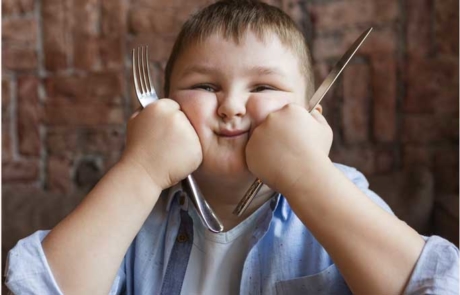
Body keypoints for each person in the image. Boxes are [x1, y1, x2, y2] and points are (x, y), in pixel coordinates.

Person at [5, 1, 459, 294]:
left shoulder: (342, 194)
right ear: (166, 110)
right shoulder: (134, 211)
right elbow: (33, 289)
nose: (233, 106)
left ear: (310, 116)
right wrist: (141, 170)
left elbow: (437, 288)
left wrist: (307, 175)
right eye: (205, 85)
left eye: (263, 85)